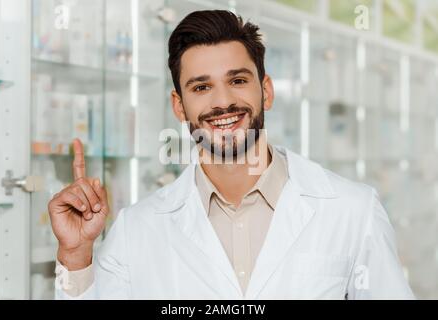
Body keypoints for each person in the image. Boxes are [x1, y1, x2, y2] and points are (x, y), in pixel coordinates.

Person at [49, 10, 414, 299]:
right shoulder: (137, 229)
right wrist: (77, 256)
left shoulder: (352, 209)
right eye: (202, 86)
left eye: (238, 80)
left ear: (265, 91)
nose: (222, 102)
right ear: (179, 106)